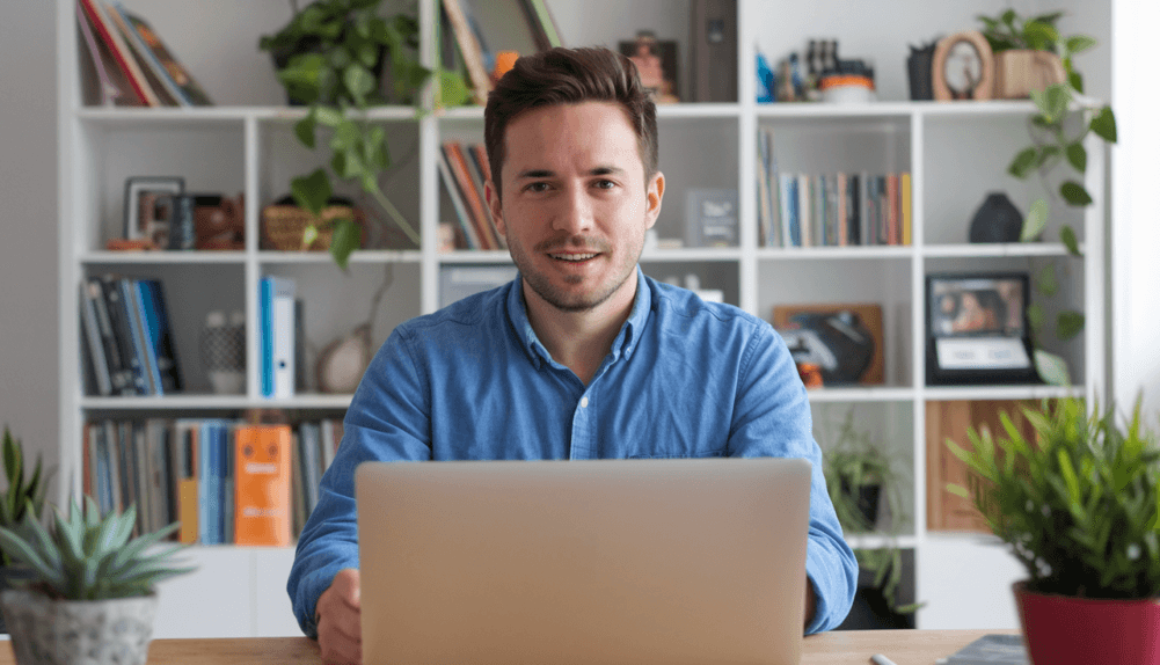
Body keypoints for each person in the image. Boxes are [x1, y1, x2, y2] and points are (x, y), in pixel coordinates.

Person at [287, 46, 858, 665]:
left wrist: (774, 596)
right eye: (540, 185)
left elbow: (819, 550)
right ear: (497, 206)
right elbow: (338, 540)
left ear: (651, 199)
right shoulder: (416, 364)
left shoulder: (746, 358)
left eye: (604, 183)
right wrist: (336, 602)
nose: (573, 219)